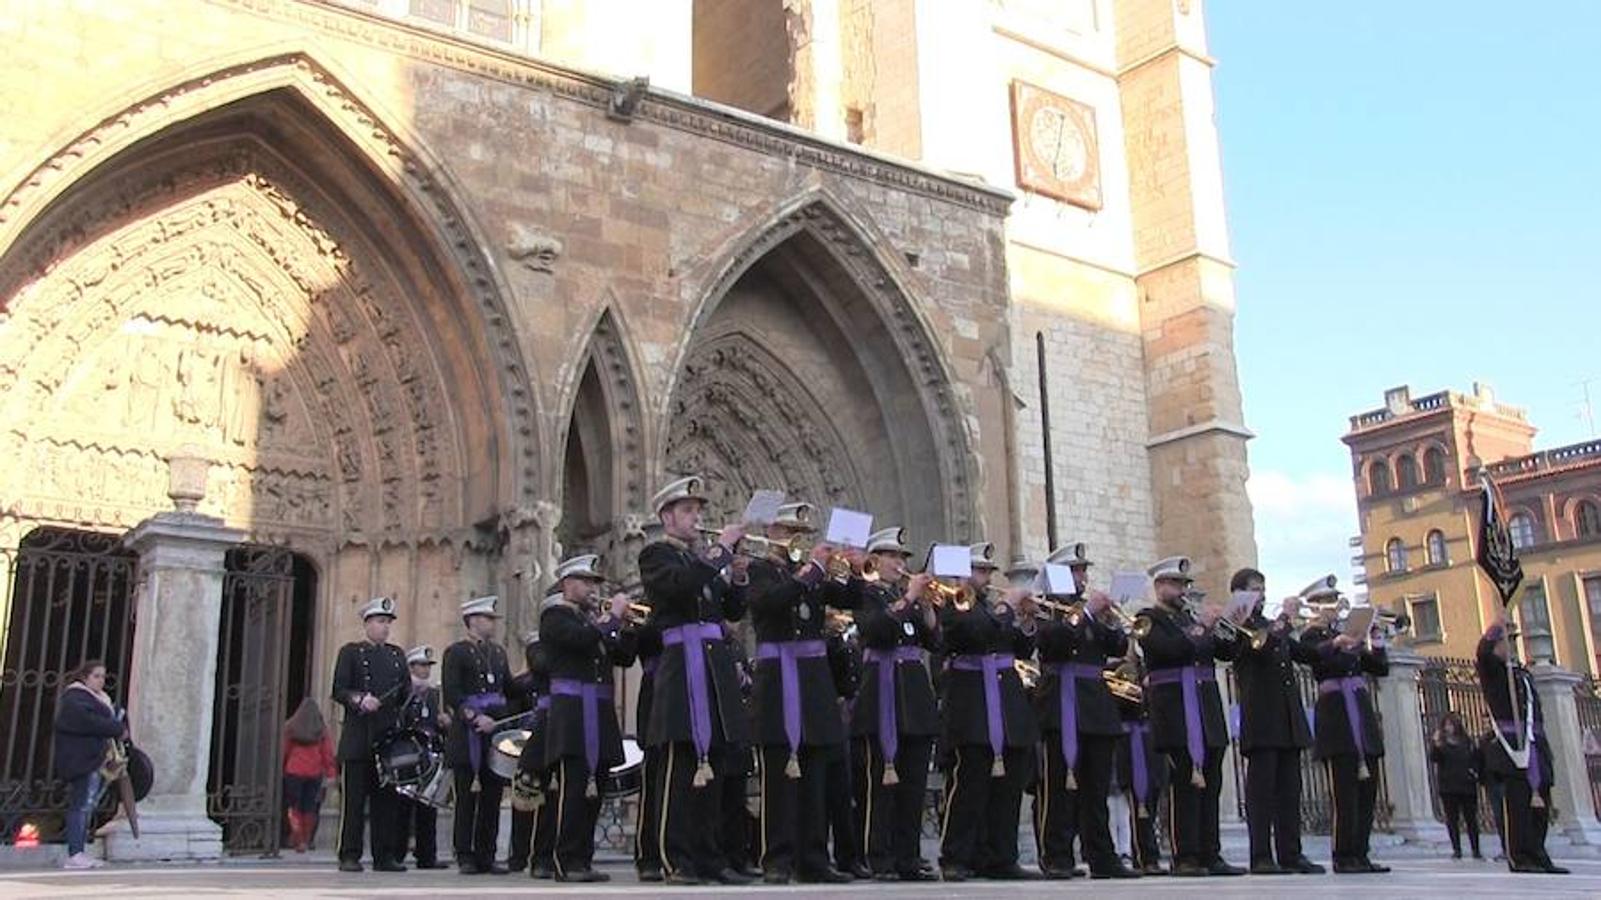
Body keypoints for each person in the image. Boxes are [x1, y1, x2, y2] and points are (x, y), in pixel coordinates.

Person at [636, 475, 755, 886]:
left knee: (716, 767)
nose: (696, 518)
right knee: (680, 766)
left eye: (698, 511)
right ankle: (676, 858)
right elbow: (676, 590)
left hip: (712, 668)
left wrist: (738, 575)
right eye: (688, 511)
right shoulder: (657, 557)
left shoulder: (699, 561)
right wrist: (720, 551)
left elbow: (733, 611)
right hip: (681, 666)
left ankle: (710, 856)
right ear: (667, 517)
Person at [745, 502, 855, 884]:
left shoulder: (810, 576)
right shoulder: (760, 570)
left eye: (802, 534)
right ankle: (777, 858)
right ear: (770, 532)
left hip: (813, 683)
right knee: (778, 775)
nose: (796, 540)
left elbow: (851, 600)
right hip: (777, 680)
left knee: (816, 775)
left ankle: (813, 858)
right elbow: (767, 603)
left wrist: (854, 567)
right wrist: (812, 572)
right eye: (789, 531)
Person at [1032, 542, 1139, 880]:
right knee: (1058, 787)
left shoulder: (1085, 613)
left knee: (1095, 790)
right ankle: (1056, 855)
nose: (1083, 577)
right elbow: (1055, 643)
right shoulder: (1047, 610)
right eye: (1076, 571)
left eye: (1083, 571)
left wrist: (1113, 618)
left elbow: (1119, 646)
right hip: (1061, 703)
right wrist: (1089, 614)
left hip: (1094, 706)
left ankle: (1101, 856)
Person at [1134, 557, 1245, 877]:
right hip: (1175, 710)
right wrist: (1203, 628)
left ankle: (1211, 853)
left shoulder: (1189, 618)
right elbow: (1167, 651)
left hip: (1205, 707)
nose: (1182, 590)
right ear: (1159, 586)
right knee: (1183, 784)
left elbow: (1225, 654)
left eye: (1184, 584)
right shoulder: (1149, 618)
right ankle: (1185, 855)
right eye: (1176, 584)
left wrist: (1230, 626)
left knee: (1211, 782)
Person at [938, 547, 1040, 882]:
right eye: (979, 571)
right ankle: (955, 856)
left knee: (1007, 788)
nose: (986, 578)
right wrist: (1007, 607)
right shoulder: (954, 604)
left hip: (1006, 701)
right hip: (972, 704)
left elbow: (1019, 648)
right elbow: (977, 631)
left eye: (987, 572)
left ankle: (1000, 856)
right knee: (968, 785)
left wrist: (1026, 621)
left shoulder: (991, 608)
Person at [540, 553, 638, 881]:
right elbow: (579, 641)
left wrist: (623, 629)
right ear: (568, 584)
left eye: (595, 583)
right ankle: (563, 860)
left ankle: (583, 858)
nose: (592, 589)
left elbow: (623, 658)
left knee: (595, 791)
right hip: (572, 715)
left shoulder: (594, 621)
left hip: (599, 713)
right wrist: (610, 619)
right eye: (586, 582)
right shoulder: (555, 616)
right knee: (573, 789)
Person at [851, 527, 940, 882]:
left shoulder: (907, 599)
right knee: (880, 785)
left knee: (913, 784)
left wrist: (929, 609)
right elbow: (877, 631)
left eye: (902, 558)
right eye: (892, 557)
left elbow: (933, 641)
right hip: (881, 694)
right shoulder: (866, 594)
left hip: (913, 695)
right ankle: (880, 856)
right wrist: (908, 600)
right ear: (875, 559)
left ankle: (909, 855)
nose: (898, 564)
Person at [1231, 570, 1324, 875]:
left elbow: (1305, 653)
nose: (1262, 595)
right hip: (1261, 720)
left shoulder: (1270, 627)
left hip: (1287, 719)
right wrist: (1285, 619)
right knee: (1261, 794)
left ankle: (1291, 853)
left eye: (1263, 589)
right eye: (1256, 590)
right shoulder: (1239, 628)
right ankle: (1261, 856)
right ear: (1241, 594)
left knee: (1289, 791)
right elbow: (1264, 647)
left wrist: (1334, 639)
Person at [1298, 579, 1389, 874]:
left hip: (1360, 715)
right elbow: (1315, 659)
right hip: (1336, 718)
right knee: (1344, 793)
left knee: (1367, 791)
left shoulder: (1347, 634)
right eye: (1328, 601)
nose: (1334, 606)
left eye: (1335, 599)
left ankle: (1361, 853)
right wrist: (1335, 643)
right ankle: (1343, 854)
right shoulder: (1311, 636)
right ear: (1314, 605)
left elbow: (1380, 668)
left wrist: (1376, 639)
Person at [1476, 615, 1567, 874]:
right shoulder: (1494, 673)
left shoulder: (1521, 674)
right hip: (1511, 748)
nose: (1510, 646)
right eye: (1504, 642)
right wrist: (1494, 628)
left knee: (1541, 804)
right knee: (1517, 805)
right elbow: (1483, 656)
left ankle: (1539, 853)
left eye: (1511, 641)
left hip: (1535, 746)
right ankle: (1520, 856)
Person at [331, 596, 409, 873]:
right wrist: (360, 699)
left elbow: (404, 693)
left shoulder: (397, 655)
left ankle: (384, 854)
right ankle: (349, 854)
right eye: (379, 621)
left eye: (387, 622)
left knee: (386, 802)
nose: (384, 628)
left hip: (386, 737)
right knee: (353, 802)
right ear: (367, 624)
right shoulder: (351, 652)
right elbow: (339, 689)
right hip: (358, 737)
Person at [442, 594, 515, 875]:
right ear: (472, 620)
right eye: (487, 618)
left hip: (493, 734)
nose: (492, 624)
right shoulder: (457, 652)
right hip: (469, 734)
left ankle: (487, 853)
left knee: (492, 797)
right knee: (466, 799)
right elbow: (453, 692)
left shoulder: (497, 653)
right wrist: (474, 717)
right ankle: (465, 854)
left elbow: (508, 688)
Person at [53, 660, 125, 870]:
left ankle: (80, 851)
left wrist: (117, 722)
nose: (101, 681)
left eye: (103, 677)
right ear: (84, 677)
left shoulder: (100, 699)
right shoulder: (75, 699)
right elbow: (89, 722)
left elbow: (108, 718)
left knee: (87, 805)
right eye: (96, 676)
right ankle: (75, 853)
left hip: (95, 759)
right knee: (81, 805)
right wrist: (115, 727)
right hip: (81, 759)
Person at [397, 646, 449, 869]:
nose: (425, 670)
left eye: (428, 666)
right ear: (411, 667)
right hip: (409, 753)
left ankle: (427, 855)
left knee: (428, 806)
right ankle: (397, 852)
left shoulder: (435, 694)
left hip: (430, 754)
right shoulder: (405, 693)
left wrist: (444, 723)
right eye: (421, 666)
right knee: (403, 807)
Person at [282, 697, 336, 854]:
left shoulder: (291, 727)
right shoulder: (321, 730)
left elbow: (284, 750)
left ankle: (297, 838)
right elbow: (327, 753)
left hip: (293, 771)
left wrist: (281, 767)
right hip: (314, 772)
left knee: (294, 806)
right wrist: (331, 773)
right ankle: (307, 838)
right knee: (310, 807)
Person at [1430, 711, 1482, 860]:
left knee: (1471, 819)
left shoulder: (1467, 742)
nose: (1449, 728)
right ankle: (1457, 849)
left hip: (1467, 786)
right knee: (1452, 819)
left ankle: (1475, 849)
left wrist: (1474, 772)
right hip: (1448, 787)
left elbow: (1476, 759)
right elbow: (1434, 758)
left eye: (1451, 724)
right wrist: (1436, 744)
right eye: (1446, 725)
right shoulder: (1441, 743)